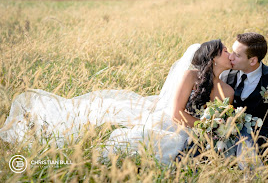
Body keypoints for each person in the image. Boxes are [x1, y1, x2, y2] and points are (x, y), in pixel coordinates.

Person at [0, 39, 233, 164]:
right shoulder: (189, 76)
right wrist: (203, 126)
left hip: (198, 135)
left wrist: (214, 129)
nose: (229, 53)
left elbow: (221, 120)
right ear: (212, 57)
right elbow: (175, 113)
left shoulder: (228, 90)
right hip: (174, 125)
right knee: (137, 144)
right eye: (224, 50)